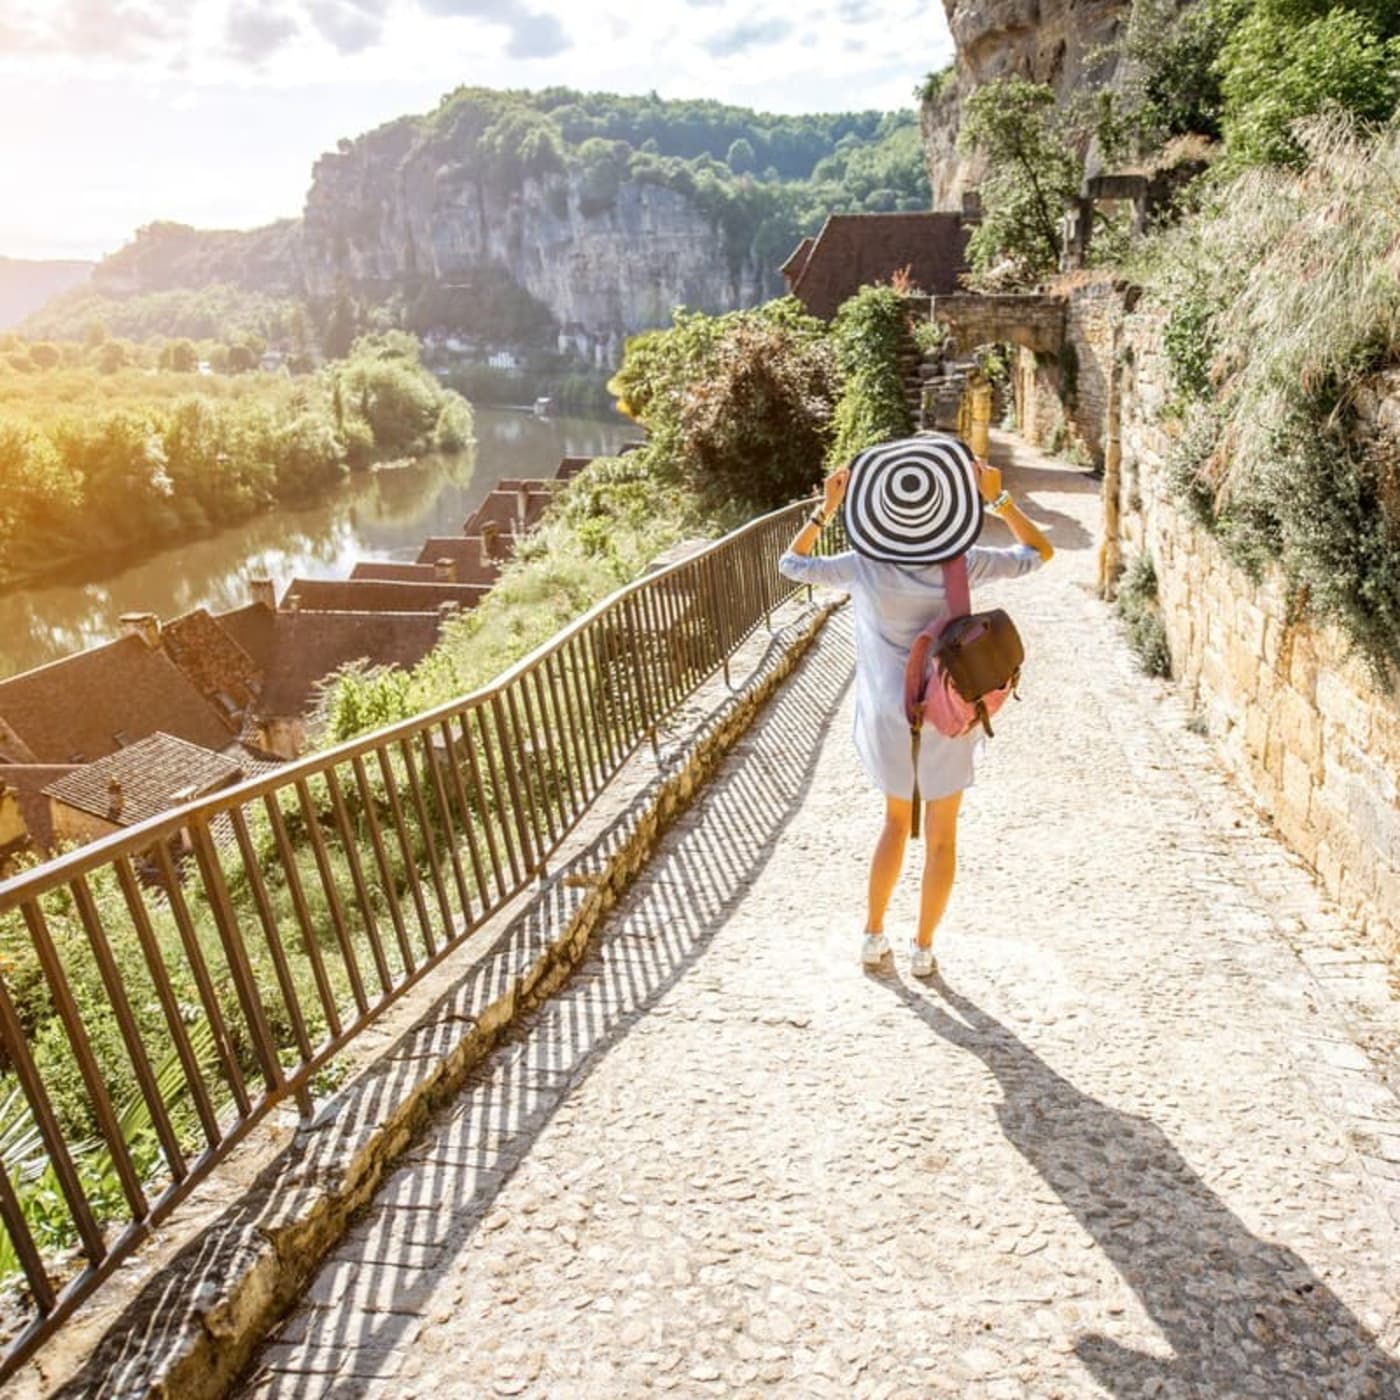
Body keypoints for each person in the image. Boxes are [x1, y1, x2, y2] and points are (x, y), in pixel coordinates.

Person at [778, 435, 1054, 977]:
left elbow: (792, 564)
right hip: (948, 716)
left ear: (875, 508)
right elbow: (1038, 554)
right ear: (947, 507)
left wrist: (824, 510)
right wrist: (998, 500)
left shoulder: (862, 566)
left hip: (889, 715)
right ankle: (923, 948)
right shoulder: (964, 562)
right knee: (943, 837)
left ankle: (872, 934)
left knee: (893, 823)